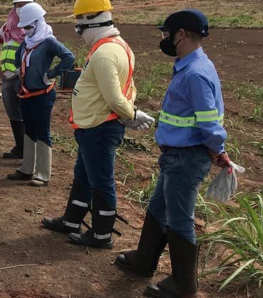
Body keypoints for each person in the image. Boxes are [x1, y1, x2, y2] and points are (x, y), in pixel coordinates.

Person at [115, 10, 229, 298]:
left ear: (181, 34)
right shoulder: (189, 66)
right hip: (175, 156)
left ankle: (184, 285)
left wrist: (219, 151)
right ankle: (144, 260)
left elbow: (209, 123)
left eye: (167, 34)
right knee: (158, 208)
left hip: (187, 158)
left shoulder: (196, 74)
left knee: (179, 219)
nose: (164, 39)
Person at [41, 0, 155, 248]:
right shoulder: (118, 47)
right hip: (93, 126)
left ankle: (101, 234)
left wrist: (131, 114)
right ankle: (72, 220)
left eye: (78, 25)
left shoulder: (104, 53)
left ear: (89, 21)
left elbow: (115, 96)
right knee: (83, 176)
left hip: (100, 127)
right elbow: (130, 87)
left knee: (101, 180)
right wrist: (130, 112)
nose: (78, 32)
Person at [5, 3, 74, 187]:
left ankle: (43, 173)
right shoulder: (26, 42)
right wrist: (19, 70)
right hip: (26, 94)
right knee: (29, 130)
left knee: (42, 131)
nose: (26, 31)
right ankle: (27, 168)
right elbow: (17, 58)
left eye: (29, 27)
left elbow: (69, 57)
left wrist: (52, 74)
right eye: (24, 27)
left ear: (38, 22)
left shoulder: (48, 41)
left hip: (42, 94)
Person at [0, 0, 33, 159]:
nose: (20, 8)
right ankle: (20, 146)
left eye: (24, 4)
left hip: (25, 78)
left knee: (27, 113)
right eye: (18, 5)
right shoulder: (7, 27)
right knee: (13, 113)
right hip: (8, 77)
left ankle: (29, 151)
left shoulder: (35, 28)